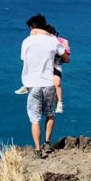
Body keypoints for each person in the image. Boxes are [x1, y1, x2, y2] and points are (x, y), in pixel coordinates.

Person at [19, 13, 67, 158]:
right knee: (50, 114)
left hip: (33, 85)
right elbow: (65, 57)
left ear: (31, 27)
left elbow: (24, 58)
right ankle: (47, 142)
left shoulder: (27, 41)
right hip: (49, 83)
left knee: (35, 119)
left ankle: (38, 149)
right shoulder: (53, 41)